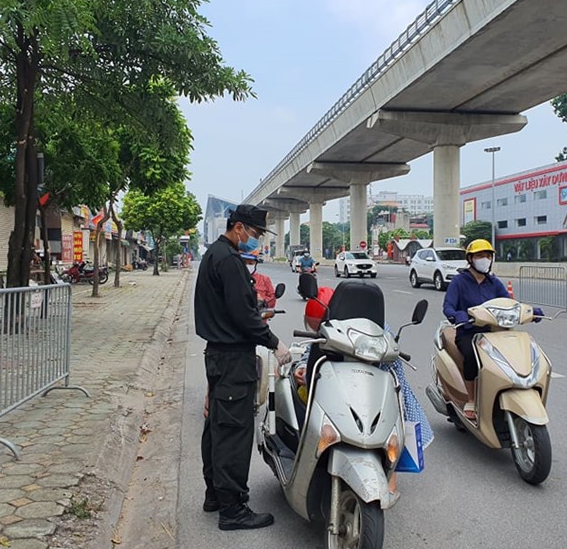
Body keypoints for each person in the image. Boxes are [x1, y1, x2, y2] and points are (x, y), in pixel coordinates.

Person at [194, 204, 292, 531]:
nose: (256, 240)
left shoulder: (215, 255)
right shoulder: (229, 261)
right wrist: (274, 343)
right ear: (238, 228)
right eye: (254, 233)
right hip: (233, 358)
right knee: (234, 435)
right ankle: (233, 509)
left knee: (218, 429)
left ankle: (215, 495)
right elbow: (243, 316)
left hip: (220, 355)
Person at [293, 287, 434, 450]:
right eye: (318, 330)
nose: (322, 333)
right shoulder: (322, 334)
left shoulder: (375, 329)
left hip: (376, 391)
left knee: (395, 444)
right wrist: (303, 366)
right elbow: (311, 349)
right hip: (337, 392)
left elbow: (391, 359)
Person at [443, 239, 542, 420]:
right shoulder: (459, 281)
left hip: (495, 332)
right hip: (469, 332)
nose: (485, 259)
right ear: (471, 259)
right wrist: (458, 315)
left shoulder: (494, 282)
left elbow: (509, 303)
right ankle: (472, 399)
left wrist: (530, 311)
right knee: (472, 357)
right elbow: (448, 306)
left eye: (488, 256)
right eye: (480, 255)